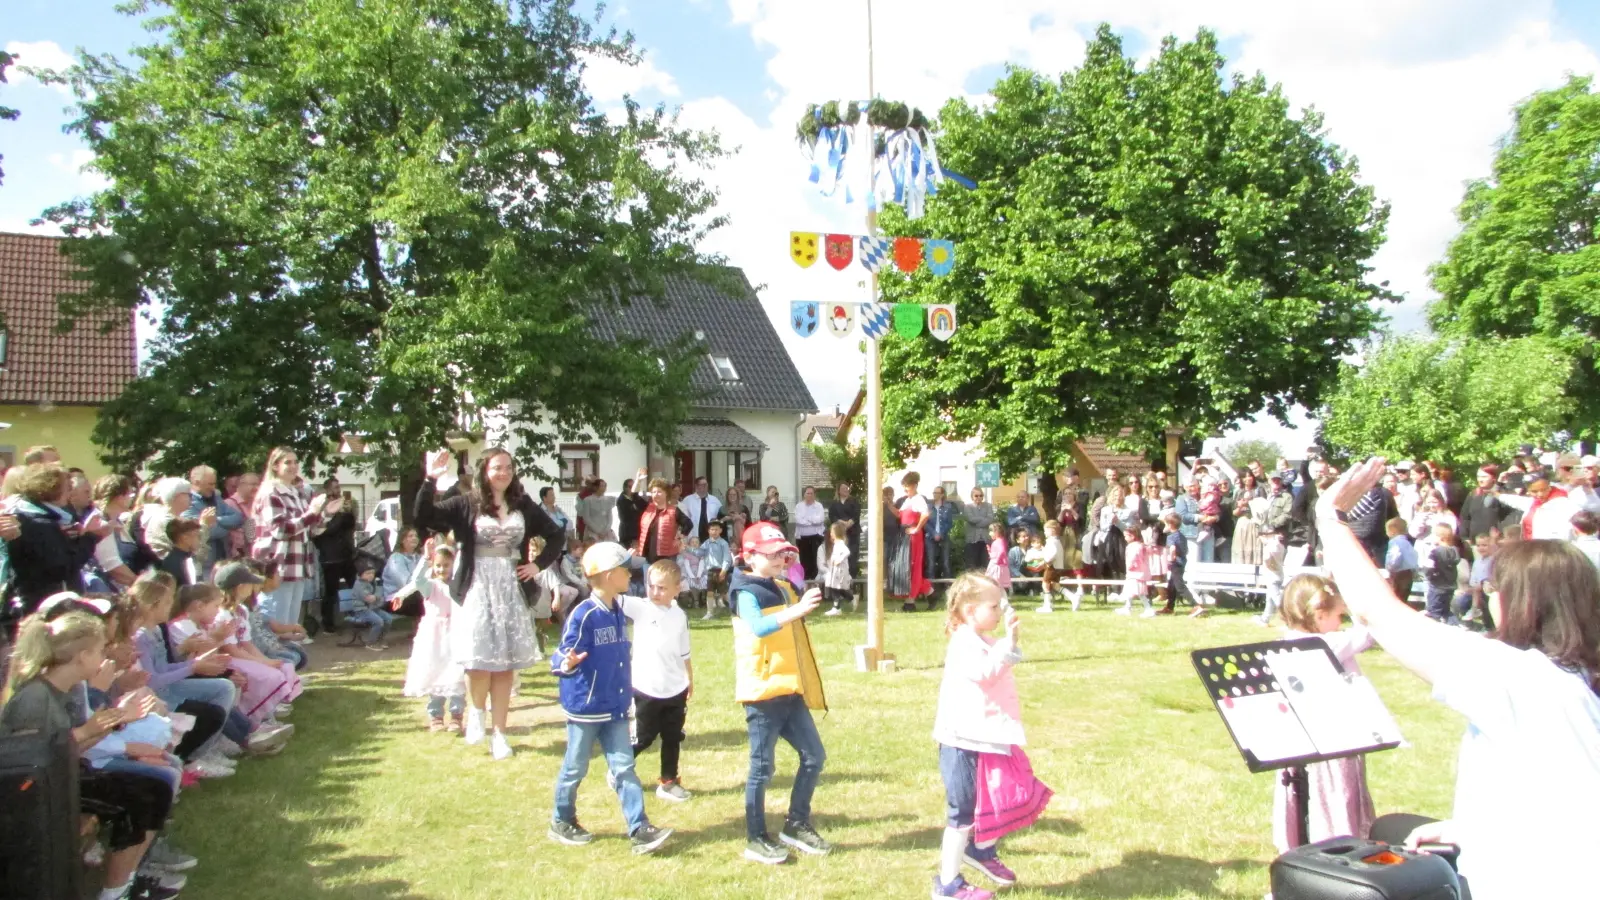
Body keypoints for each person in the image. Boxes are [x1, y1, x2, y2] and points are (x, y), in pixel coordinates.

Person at [1316, 457, 1600, 900]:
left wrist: (1330, 519)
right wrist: (1472, 828)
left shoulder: (1522, 678)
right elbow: (1566, 797)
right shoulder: (1579, 678)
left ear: (1520, 602)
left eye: (1493, 589)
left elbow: (1380, 614)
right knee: (1392, 829)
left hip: (1535, 884)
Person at [1, 610, 181, 900]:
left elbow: (69, 749)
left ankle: (122, 885)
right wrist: (89, 731)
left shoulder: (63, 690)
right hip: (36, 797)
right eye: (99, 650)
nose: (104, 657)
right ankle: (117, 891)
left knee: (154, 789)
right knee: (140, 795)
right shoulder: (34, 698)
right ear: (82, 656)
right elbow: (28, 765)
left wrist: (108, 724)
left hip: (64, 777)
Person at [413, 447, 565, 760]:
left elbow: (556, 535)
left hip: (510, 587)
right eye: (497, 467)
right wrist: (430, 479)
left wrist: (538, 565)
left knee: (505, 662)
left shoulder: (522, 504)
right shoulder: (466, 503)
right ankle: (477, 715)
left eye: (508, 467)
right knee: (477, 657)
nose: (504, 473)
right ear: (485, 470)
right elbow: (424, 516)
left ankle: (500, 733)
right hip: (476, 586)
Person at [548, 542, 673, 854]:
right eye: (623, 568)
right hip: (586, 708)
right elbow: (562, 653)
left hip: (615, 706)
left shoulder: (617, 610)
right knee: (575, 766)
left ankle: (639, 827)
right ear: (606, 576)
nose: (629, 573)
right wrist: (567, 662)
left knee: (624, 767)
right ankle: (562, 820)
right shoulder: (584, 614)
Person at [931, 572, 1048, 900]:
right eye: (993, 606)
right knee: (963, 811)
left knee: (995, 800)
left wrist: (1009, 643)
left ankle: (981, 851)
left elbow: (1004, 660)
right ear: (970, 611)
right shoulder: (963, 642)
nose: (999, 612)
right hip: (961, 742)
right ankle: (948, 883)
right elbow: (985, 672)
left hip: (985, 738)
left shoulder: (982, 640)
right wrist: (1010, 642)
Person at [732, 522, 829, 865]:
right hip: (762, 693)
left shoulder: (782, 585)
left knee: (815, 756)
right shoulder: (745, 592)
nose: (779, 558)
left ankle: (796, 823)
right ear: (749, 556)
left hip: (789, 688)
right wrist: (796, 610)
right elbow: (758, 628)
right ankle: (756, 837)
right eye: (771, 554)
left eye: (782, 552)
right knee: (762, 768)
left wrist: (797, 592)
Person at [1271, 574, 1376, 851]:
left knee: (1305, 798)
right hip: (1333, 743)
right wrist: (1352, 602)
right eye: (1338, 616)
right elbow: (1368, 630)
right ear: (1319, 615)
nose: (1341, 623)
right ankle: (1338, 843)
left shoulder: (1287, 641)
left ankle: (1302, 847)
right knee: (1334, 797)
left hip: (1301, 744)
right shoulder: (1327, 645)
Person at [623, 559, 694, 803]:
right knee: (643, 737)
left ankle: (668, 782)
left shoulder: (680, 616)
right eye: (651, 586)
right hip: (646, 688)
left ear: (677, 588)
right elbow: (609, 594)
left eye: (662, 588)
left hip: (675, 688)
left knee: (673, 737)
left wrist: (689, 680)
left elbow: (685, 652)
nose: (655, 592)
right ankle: (619, 769)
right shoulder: (639, 607)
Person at [252, 447, 340, 628]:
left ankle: (290, 654)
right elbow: (281, 529)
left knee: (291, 623)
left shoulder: (296, 492)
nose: (293, 466)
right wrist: (312, 513)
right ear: (275, 466)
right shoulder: (270, 492)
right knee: (276, 622)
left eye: (295, 462)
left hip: (297, 564)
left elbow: (310, 530)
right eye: (287, 462)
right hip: (277, 564)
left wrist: (326, 515)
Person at [9, 463, 102, 615]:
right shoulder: (39, 524)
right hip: (43, 604)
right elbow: (64, 567)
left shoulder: (40, 517)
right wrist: (90, 536)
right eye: (67, 487)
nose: (70, 492)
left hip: (41, 598)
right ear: (51, 489)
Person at [403, 542, 466, 733]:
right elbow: (417, 579)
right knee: (436, 672)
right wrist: (425, 558)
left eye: (446, 565)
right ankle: (436, 715)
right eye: (438, 565)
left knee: (456, 674)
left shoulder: (457, 587)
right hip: (434, 637)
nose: (441, 569)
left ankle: (456, 715)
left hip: (454, 632)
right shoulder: (430, 586)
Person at [90, 474, 157, 590]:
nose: (132, 498)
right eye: (129, 494)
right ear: (119, 497)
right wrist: (143, 586)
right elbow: (112, 566)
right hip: (109, 590)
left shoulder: (118, 522)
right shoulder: (102, 523)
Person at [311, 481, 359, 633]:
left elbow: (351, 525)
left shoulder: (345, 505)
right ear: (327, 490)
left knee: (357, 586)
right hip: (330, 556)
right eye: (335, 487)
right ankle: (328, 624)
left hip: (346, 553)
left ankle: (362, 616)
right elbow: (322, 532)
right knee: (331, 591)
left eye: (339, 487)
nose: (338, 490)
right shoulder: (322, 507)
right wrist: (338, 515)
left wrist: (349, 511)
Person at [188, 465, 243, 571]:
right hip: (203, 564)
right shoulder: (187, 502)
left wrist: (216, 520)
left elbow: (238, 518)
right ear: (196, 482)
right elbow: (202, 532)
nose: (213, 487)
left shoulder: (216, 498)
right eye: (210, 484)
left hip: (223, 560)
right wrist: (227, 527)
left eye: (214, 483)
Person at [896, 473, 934, 612]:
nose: (906, 489)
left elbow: (925, 514)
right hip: (905, 536)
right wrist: (887, 503)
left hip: (914, 537)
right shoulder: (907, 500)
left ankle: (910, 601)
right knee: (908, 567)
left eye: (908, 486)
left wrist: (917, 528)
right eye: (904, 486)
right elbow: (899, 514)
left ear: (915, 485)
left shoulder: (918, 499)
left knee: (913, 567)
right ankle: (930, 593)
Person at [636, 477, 692, 564]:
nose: (656, 494)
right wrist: (638, 480)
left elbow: (688, 524)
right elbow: (634, 496)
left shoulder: (673, 510)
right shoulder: (647, 508)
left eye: (659, 492)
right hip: (647, 554)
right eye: (653, 492)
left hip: (666, 555)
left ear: (666, 493)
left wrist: (678, 538)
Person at [342, 561, 393, 650]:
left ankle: (379, 639)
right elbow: (369, 598)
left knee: (388, 618)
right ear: (361, 574)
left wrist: (376, 597)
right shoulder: (359, 584)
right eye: (367, 573)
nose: (371, 575)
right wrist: (378, 597)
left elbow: (378, 595)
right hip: (361, 610)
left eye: (372, 573)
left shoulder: (373, 582)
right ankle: (371, 643)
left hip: (373, 608)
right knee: (379, 621)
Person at [1421, 523, 1461, 624]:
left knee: (1433, 611)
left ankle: (1434, 629)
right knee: (1446, 610)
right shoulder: (1454, 551)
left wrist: (1428, 575)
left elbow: (1429, 567)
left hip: (1437, 586)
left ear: (1441, 538)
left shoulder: (1436, 552)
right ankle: (1455, 626)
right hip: (1450, 586)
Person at [381, 526, 424, 609]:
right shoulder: (396, 558)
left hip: (414, 594)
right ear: (402, 540)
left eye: (416, 536)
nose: (414, 538)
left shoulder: (419, 557)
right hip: (396, 599)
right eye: (410, 536)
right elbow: (406, 584)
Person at [1115, 524, 1152, 616]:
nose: (1125, 538)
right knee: (1129, 591)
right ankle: (1127, 607)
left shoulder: (1134, 546)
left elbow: (1133, 557)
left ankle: (1148, 609)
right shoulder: (1140, 545)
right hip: (1137, 573)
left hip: (1136, 573)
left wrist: (1130, 566)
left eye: (1126, 536)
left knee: (1140, 593)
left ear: (1132, 536)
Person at [827, 482, 861, 581]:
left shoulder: (853, 501)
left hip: (853, 532)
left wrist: (850, 522)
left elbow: (857, 513)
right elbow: (832, 516)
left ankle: (852, 581)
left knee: (852, 556)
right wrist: (840, 522)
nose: (845, 490)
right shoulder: (834, 503)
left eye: (847, 488)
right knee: (841, 556)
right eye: (843, 488)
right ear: (838, 491)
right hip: (839, 534)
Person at [820, 520, 855, 616]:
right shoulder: (836, 543)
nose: (830, 533)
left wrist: (839, 559)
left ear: (836, 532)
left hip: (840, 571)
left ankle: (837, 608)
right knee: (837, 589)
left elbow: (846, 552)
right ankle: (850, 599)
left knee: (836, 589)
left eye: (832, 531)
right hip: (835, 570)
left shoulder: (840, 543)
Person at [925, 486, 959, 583]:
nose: (935, 494)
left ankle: (947, 587)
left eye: (937, 493)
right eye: (934, 492)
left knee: (946, 562)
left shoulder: (947, 507)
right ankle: (930, 590)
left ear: (942, 494)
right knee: (931, 563)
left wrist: (941, 533)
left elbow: (949, 523)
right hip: (930, 537)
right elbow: (925, 522)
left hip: (943, 536)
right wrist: (934, 533)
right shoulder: (929, 507)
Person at [793, 486, 827, 582]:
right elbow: (798, 520)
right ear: (804, 495)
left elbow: (820, 520)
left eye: (811, 493)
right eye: (808, 493)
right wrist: (811, 520)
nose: (809, 495)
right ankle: (806, 582)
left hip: (816, 537)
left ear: (814, 495)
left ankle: (816, 581)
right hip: (802, 538)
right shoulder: (799, 506)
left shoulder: (819, 506)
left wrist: (807, 519)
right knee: (804, 561)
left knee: (816, 560)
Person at [701, 520, 734, 620]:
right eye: (712, 529)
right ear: (708, 531)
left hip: (720, 570)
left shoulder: (723, 543)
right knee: (710, 592)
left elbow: (727, 558)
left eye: (716, 529)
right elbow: (699, 552)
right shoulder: (706, 543)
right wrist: (689, 549)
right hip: (710, 572)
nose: (714, 531)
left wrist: (724, 571)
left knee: (723, 593)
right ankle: (709, 612)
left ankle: (734, 610)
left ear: (720, 530)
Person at [157, 518, 203, 587]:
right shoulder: (178, 563)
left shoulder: (187, 557)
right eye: (197, 536)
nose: (199, 540)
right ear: (185, 538)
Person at [1384, 517, 1419, 602]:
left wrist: (1390, 568)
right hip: (1408, 573)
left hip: (1398, 573)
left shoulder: (1395, 542)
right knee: (1404, 596)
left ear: (1392, 531)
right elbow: (1414, 557)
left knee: (1395, 596)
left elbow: (1395, 556)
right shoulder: (1408, 543)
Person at [678, 476, 721, 543]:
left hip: (711, 538)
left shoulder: (715, 500)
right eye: (702, 485)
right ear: (696, 486)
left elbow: (720, 517)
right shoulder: (688, 500)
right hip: (693, 538)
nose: (705, 486)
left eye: (706, 484)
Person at [963, 488, 996, 573]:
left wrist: (978, 522)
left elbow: (990, 519)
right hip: (972, 540)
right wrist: (983, 519)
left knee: (985, 564)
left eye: (981, 495)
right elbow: (971, 519)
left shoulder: (988, 506)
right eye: (976, 496)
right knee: (972, 566)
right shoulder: (968, 507)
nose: (978, 497)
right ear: (972, 497)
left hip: (985, 539)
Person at [616, 479, 644, 550]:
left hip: (638, 531)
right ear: (625, 488)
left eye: (634, 486)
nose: (633, 489)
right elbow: (625, 517)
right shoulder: (621, 500)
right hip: (628, 532)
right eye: (630, 487)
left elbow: (645, 507)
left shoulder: (636, 497)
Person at [984, 523, 1011, 594]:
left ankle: (1000, 599)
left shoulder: (997, 542)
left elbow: (1002, 551)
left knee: (995, 584)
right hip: (998, 564)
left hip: (997, 566)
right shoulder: (1001, 541)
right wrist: (990, 552)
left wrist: (997, 560)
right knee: (998, 586)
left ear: (997, 532)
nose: (989, 533)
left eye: (991, 531)